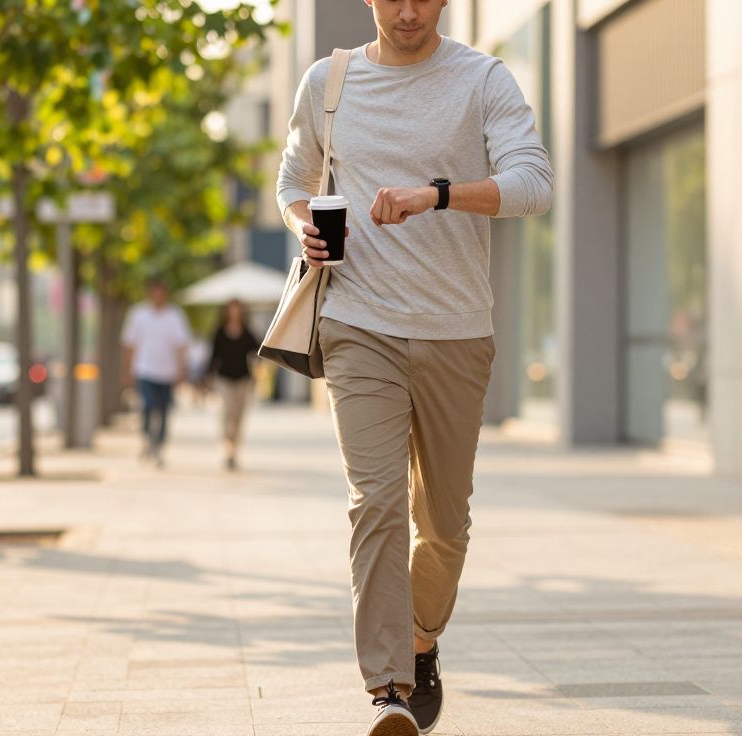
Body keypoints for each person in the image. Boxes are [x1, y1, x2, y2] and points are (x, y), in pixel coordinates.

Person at [276, 1, 553, 734]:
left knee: (446, 525)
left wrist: (437, 195)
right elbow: (292, 178)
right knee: (376, 501)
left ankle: (423, 639)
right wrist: (305, 224)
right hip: (357, 324)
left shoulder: (482, 79)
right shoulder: (328, 83)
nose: (408, 11)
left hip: (457, 332)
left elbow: (533, 184)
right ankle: (389, 689)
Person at [121, 280, 192, 468]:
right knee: (147, 406)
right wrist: (127, 370)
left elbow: (181, 346)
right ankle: (147, 438)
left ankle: (159, 445)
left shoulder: (175, 316)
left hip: (167, 372)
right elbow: (129, 345)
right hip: (144, 369)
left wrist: (181, 369)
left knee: (164, 410)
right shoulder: (138, 315)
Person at [206, 299, 261, 471]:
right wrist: (207, 377)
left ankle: (234, 449)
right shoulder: (220, 332)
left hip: (243, 379)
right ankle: (227, 447)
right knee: (226, 412)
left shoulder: (247, 332)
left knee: (238, 415)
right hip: (223, 379)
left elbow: (259, 349)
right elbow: (213, 357)